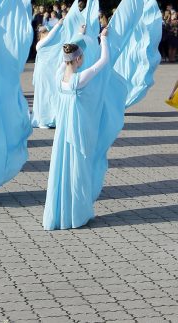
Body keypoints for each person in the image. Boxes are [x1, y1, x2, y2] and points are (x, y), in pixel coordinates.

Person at [42, 26, 115, 229]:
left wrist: (80, 34)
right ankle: (76, 214)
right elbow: (103, 61)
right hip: (77, 131)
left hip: (63, 131)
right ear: (78, 59)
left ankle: (60, 213)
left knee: (62, 169)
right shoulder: (79, 79)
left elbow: (65, 56)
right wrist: (104, 39)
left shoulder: (60, 77)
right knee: (77, 170)